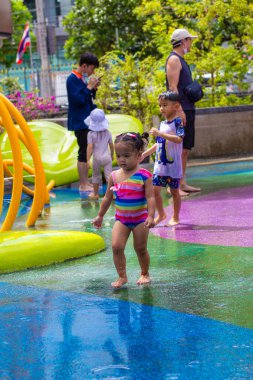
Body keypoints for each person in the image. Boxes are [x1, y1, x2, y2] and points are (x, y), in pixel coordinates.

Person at [93, 132, 156, 288]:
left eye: (126, 155)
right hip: (122, 219)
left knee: (140, 248)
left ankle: (144, 273)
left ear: (139, 155)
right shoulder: (114, 176)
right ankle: (122, 276)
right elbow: (108, 197)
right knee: (116, 246)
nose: (121, 159)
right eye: (118, 155)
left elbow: (151, 198)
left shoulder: (144, 175)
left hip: (140, 219)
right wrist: (100, 215)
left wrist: (151, 216)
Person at [166, 28, 201, 195]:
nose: (191, 44)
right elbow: (172, 87)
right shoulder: (174, 60)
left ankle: (181, 182)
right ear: (183, 41)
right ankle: (173, 186)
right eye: (189, 40)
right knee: (178, 149)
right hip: (181, 109)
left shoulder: (181, 59)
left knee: (185, 149)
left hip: (187, 107)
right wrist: (179, 110)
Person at [142, 91, 184, 226]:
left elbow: (178, 139)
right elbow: (158, 143)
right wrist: (145, 154)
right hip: (160, 166)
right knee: (155, 191)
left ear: (176, 106)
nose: (162, 108)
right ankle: (161, 214)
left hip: (173, 166)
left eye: (165, 105)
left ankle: (176, 217)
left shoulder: (178, 122)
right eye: (160, 105)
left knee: (174, 192)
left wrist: (160, 133)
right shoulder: (162, 124)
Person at [66, 52, 100, 192]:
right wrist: (89, 88)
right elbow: (78, 101)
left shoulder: (81, 79)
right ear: (84, 66)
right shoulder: (72, 79)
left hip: (87, 120)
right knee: (83, 152)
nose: (93, 72)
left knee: (87, 151)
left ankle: (86, 182)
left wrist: (93, 89)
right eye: (92, 69)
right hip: (80, 121)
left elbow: (87, 99)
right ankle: (83, 183)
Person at [85, 108, 114, 199]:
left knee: (96, 175)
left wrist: (87, 160)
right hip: (107, 157)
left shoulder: (90, 134)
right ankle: (112, 195)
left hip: (97, 158)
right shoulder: (108, 133)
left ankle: (95, 193)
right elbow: (111, 145)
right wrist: (112, 155)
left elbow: (89, 147)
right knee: (109, 176)